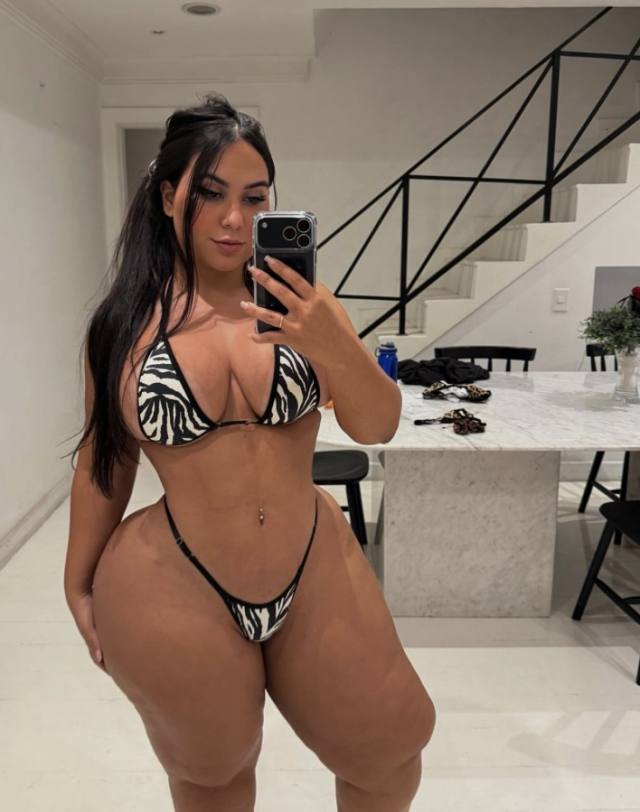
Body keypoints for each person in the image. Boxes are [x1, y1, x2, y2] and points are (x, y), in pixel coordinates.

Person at [63, 93, 436, 812]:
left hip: (312, 560)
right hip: (177, 578)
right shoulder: (121, 327)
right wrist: (77, 583)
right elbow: (103, 462)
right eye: (210, 193)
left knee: (390, 749)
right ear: (168, 196)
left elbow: (378, 426)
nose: (234, 218)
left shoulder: (306, 307)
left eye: (254, 197)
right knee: (213, 774)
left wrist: (333, 342)